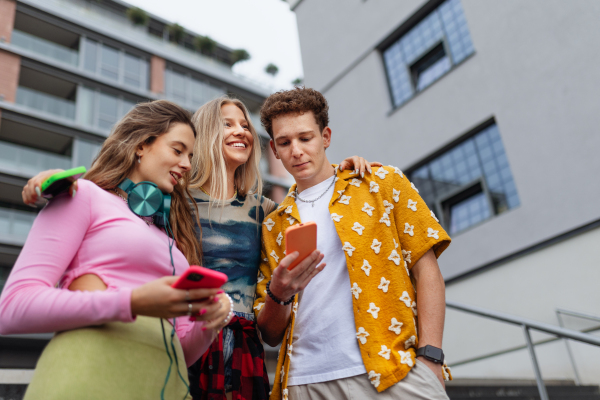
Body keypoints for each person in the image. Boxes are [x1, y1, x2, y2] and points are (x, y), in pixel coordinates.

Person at [21, 96, 378, 400]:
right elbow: (116, 202)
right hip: (186, 334)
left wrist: (342, 171)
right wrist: (52, 182)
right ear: (206, 133)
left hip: (244, 340)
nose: (240, 130)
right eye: (227, 123)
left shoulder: (266, 210)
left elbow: (310, 199)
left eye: (244, 124)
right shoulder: (172, 198)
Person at [1, 100, 231, 400]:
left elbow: (184, 352)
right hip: (89, 377)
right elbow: (13, 308)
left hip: (163, 386)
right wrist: (132, 302)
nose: (187, 164)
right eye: (178, 150)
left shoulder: (172, 242)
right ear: (141, 146)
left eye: (190, 156)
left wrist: (210, 322)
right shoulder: (82, 195)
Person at [254, 87, 453, 400]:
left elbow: (427, 271)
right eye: (285, 142)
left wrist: (431, 357)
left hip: (391, 370)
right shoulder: (271, 225)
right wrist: (278, 294)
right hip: (305, 382)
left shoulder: (380, 182)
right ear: (275, 151)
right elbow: (270, 334)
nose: (296, 150)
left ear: (326, 136)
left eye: (305, 138)